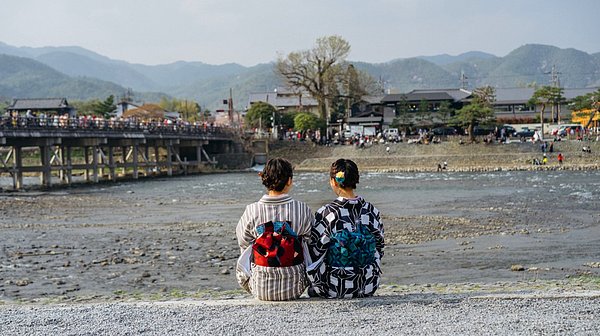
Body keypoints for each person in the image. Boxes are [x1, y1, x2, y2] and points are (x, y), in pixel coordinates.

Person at [235, 158, 313, 301]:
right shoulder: (302, 209)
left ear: (264, 179)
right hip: (295, 288)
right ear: (289, 181)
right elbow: (310, 242)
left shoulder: (251, 211)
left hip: (261, 288)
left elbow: (243, 243)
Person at [306, 159, 384, 298]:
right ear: (356, 180)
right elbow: (380, 247)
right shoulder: (372, 211)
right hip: (368, 285)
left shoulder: (327, 213)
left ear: (333, 181)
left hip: (335, 287)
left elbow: (315, 252)